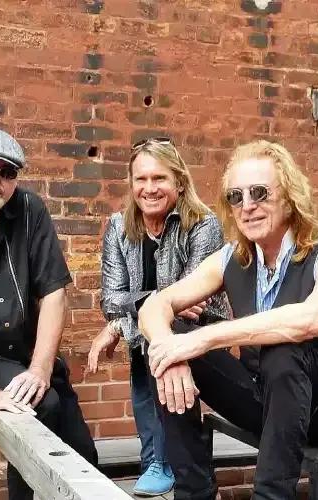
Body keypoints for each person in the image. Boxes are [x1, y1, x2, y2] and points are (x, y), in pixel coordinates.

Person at [138, 140, 318, 499]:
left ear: (289, 197)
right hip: (266, 401)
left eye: (259, 193)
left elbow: (312, 319)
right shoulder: (233, 257)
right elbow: (155, 306)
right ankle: (195, 493)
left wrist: (203, 338)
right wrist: (170, 350)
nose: (247, 206)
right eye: (236, 197)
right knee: (163, 345)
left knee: (284, 349)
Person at [87, 137, 229, 497]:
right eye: (141, 179)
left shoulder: (202, 224)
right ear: (131, 183)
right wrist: (144, 308)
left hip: (198, 333)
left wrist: (121, 323)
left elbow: (194, 299)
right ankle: (157, 459)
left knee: (161, 341)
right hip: (147, 337)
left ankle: (168, 463)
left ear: (179, 182)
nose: (149, 188)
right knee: (147, 343)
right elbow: (111, 298)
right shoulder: (118, 227)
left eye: (159, 178)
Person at [0, 128, 97, 500]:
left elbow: (54, 291)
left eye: (7, 172)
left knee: (86, 461)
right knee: (38, 406)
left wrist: (40, 368)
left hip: (26, 355)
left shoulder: (29, 209)